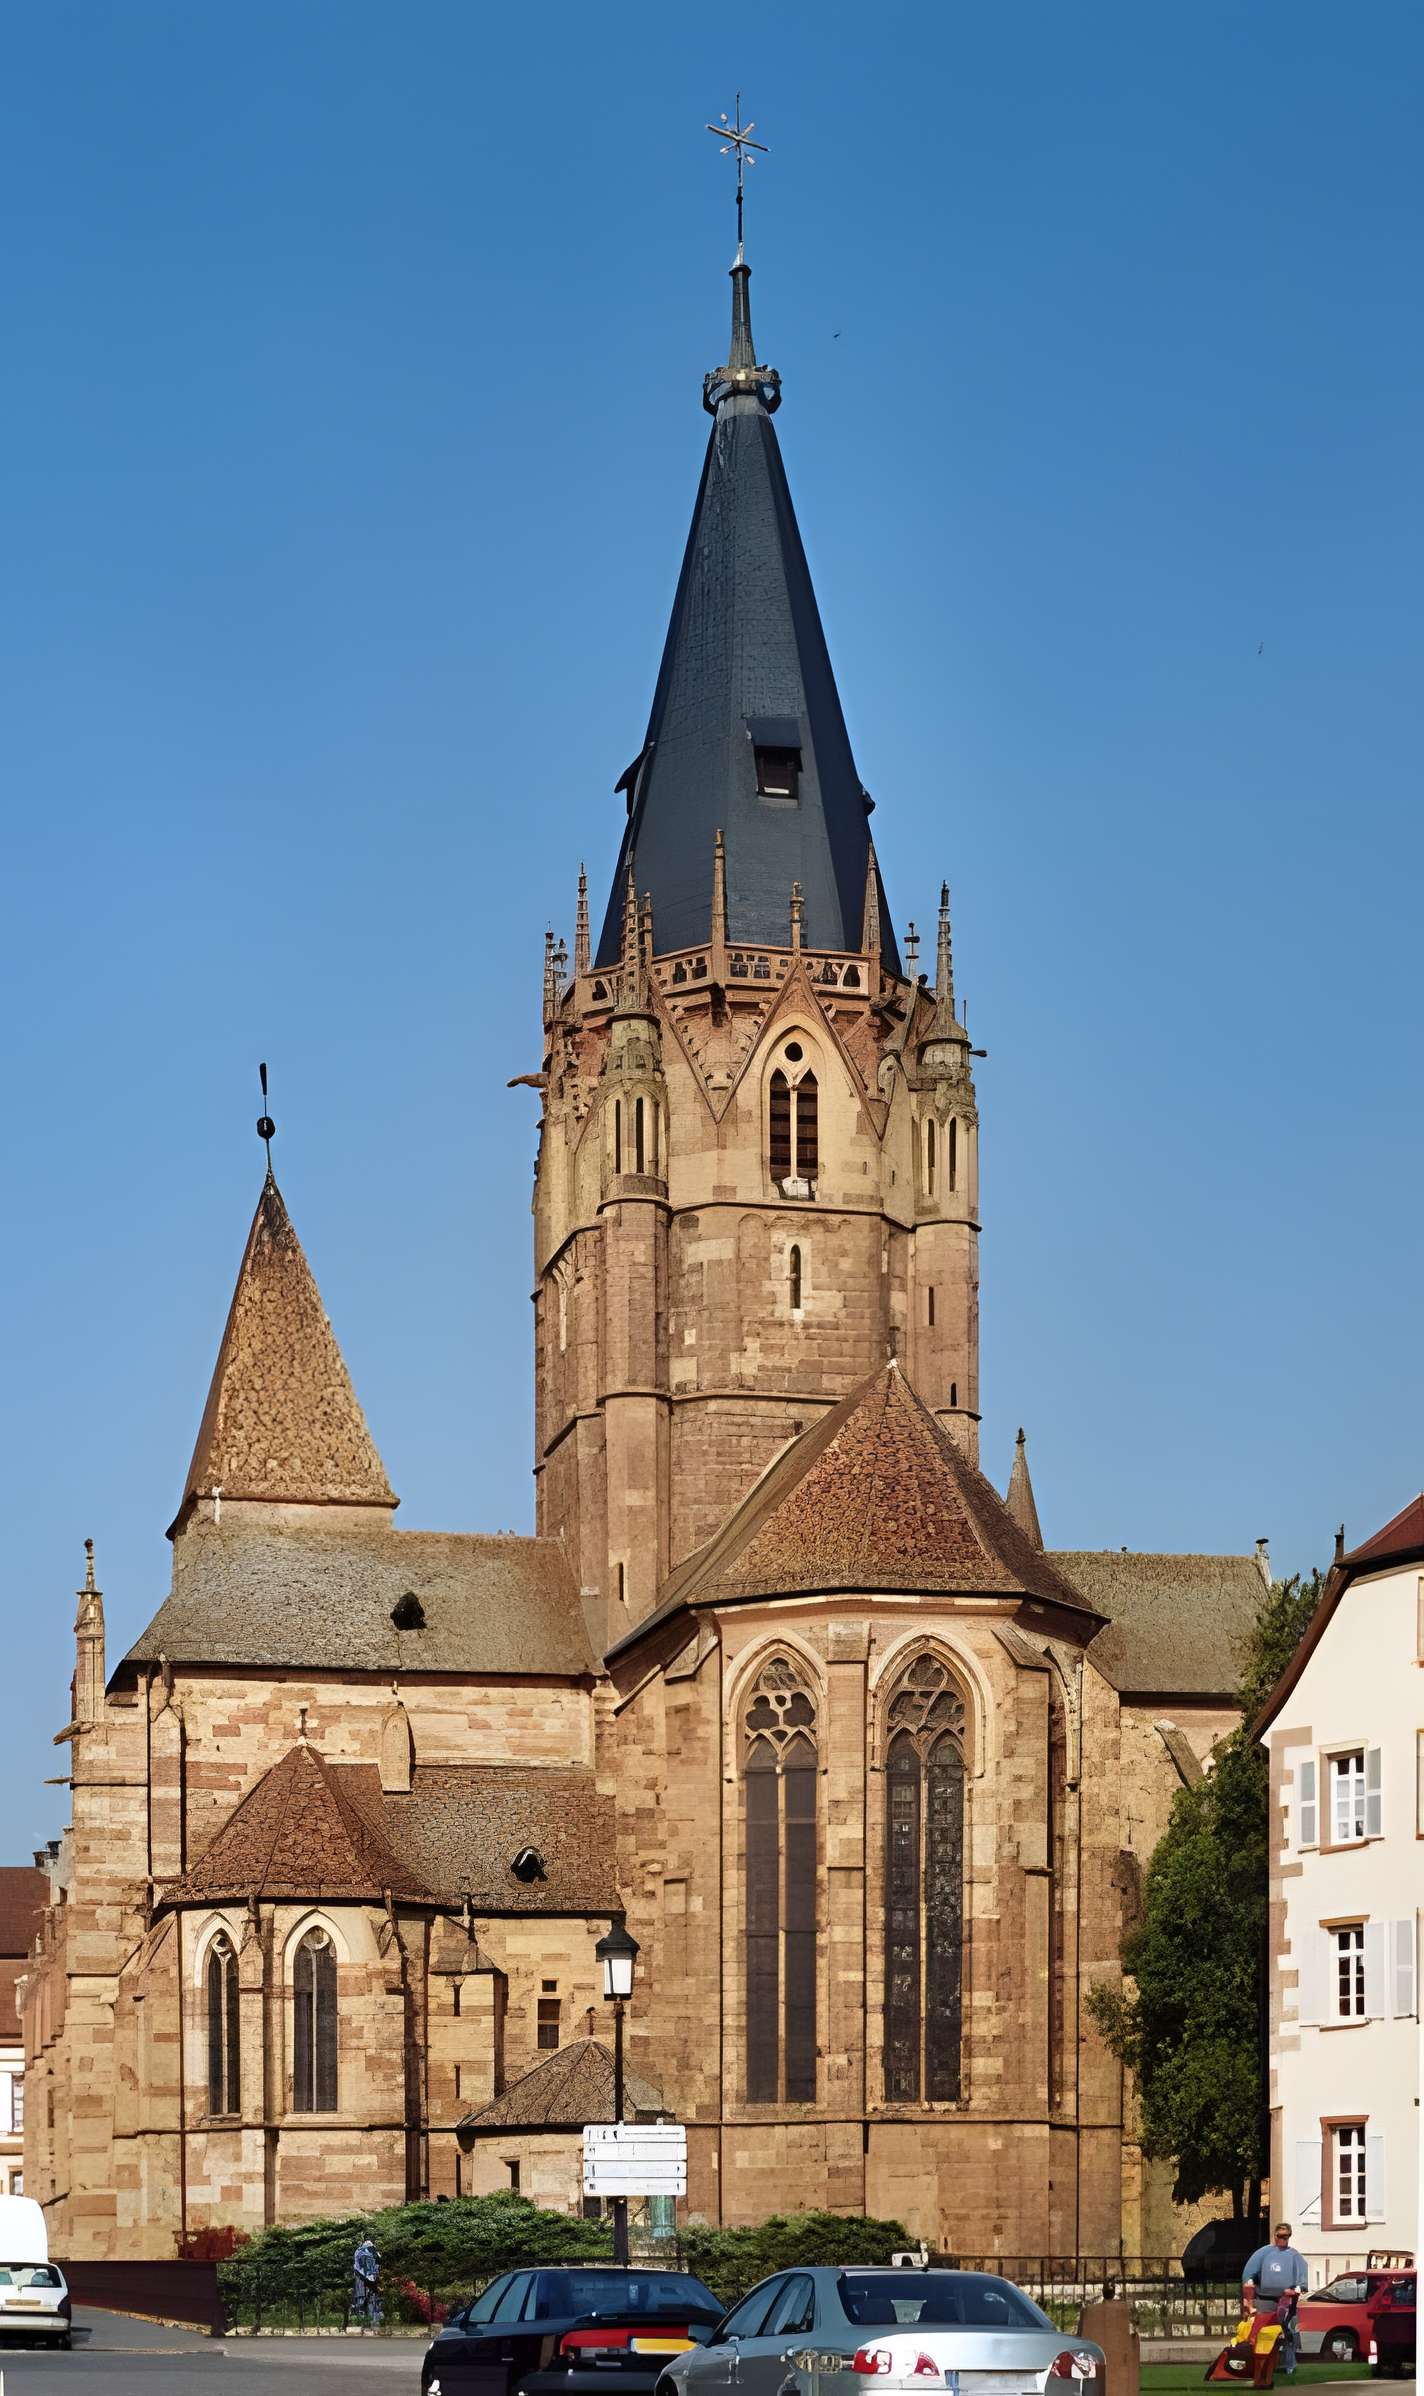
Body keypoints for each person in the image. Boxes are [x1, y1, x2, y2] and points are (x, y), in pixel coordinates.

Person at [1241, 2225, 1308, 2376]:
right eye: (1281, 2236)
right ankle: (1259, 2364)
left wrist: (1297, 2290)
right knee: (1261, 2331)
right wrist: (1248, 2296)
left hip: (1287, 2301)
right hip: (1264, 2300)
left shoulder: (1294, 2256)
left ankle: (1288, 2365)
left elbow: (1302, 2281)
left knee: (1288, 2332)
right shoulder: (1263, 2253)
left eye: (1287, 2236)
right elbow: (1248, 2275)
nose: (1284, 2239)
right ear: (1275, 2235)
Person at [352, 2235, 383, 2329]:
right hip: (362, 2279)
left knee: (373, 2300)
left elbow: (378, 2262)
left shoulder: (371, 2251)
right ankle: (363, 2323)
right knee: (361, 2301)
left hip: (371, 2279)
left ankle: (373, 2323)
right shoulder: (360, 2251)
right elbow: (357, 2266)